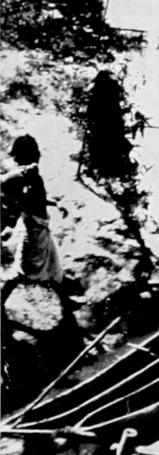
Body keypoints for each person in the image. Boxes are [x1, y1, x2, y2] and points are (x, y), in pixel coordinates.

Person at [1, 134, 82, 337]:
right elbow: (6, 184)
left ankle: (66, 302)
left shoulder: (29, 174)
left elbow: (36, 198)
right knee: (22, 271)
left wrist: (53, 203)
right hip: (33, 230)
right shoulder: (25, 173)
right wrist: (17, 198)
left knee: (54, 267)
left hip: (41, 227)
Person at [83, 70, 133, 179]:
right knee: (113, 149)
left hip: (107, 131)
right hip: (107, 131)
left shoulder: (99, 96)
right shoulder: (105, 97)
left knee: (113, 149)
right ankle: (112, 172)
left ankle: (111, 171)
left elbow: (92, 115)